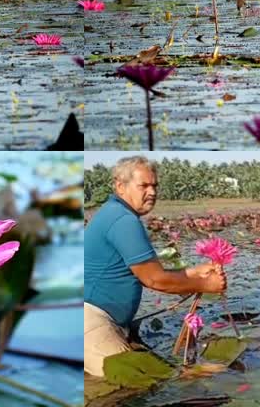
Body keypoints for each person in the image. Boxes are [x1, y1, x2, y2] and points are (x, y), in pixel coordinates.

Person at [84, 156, 227, 376]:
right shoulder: (123, 221)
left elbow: (151, 272)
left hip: (99, 317)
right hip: (92, 321)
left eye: (154, 185)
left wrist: (194, 273)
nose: (152, 192)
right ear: (120, 186)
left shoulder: (115, 213)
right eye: (144, 186)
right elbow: (154, 280)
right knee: (141, 384)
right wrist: (205, 285)